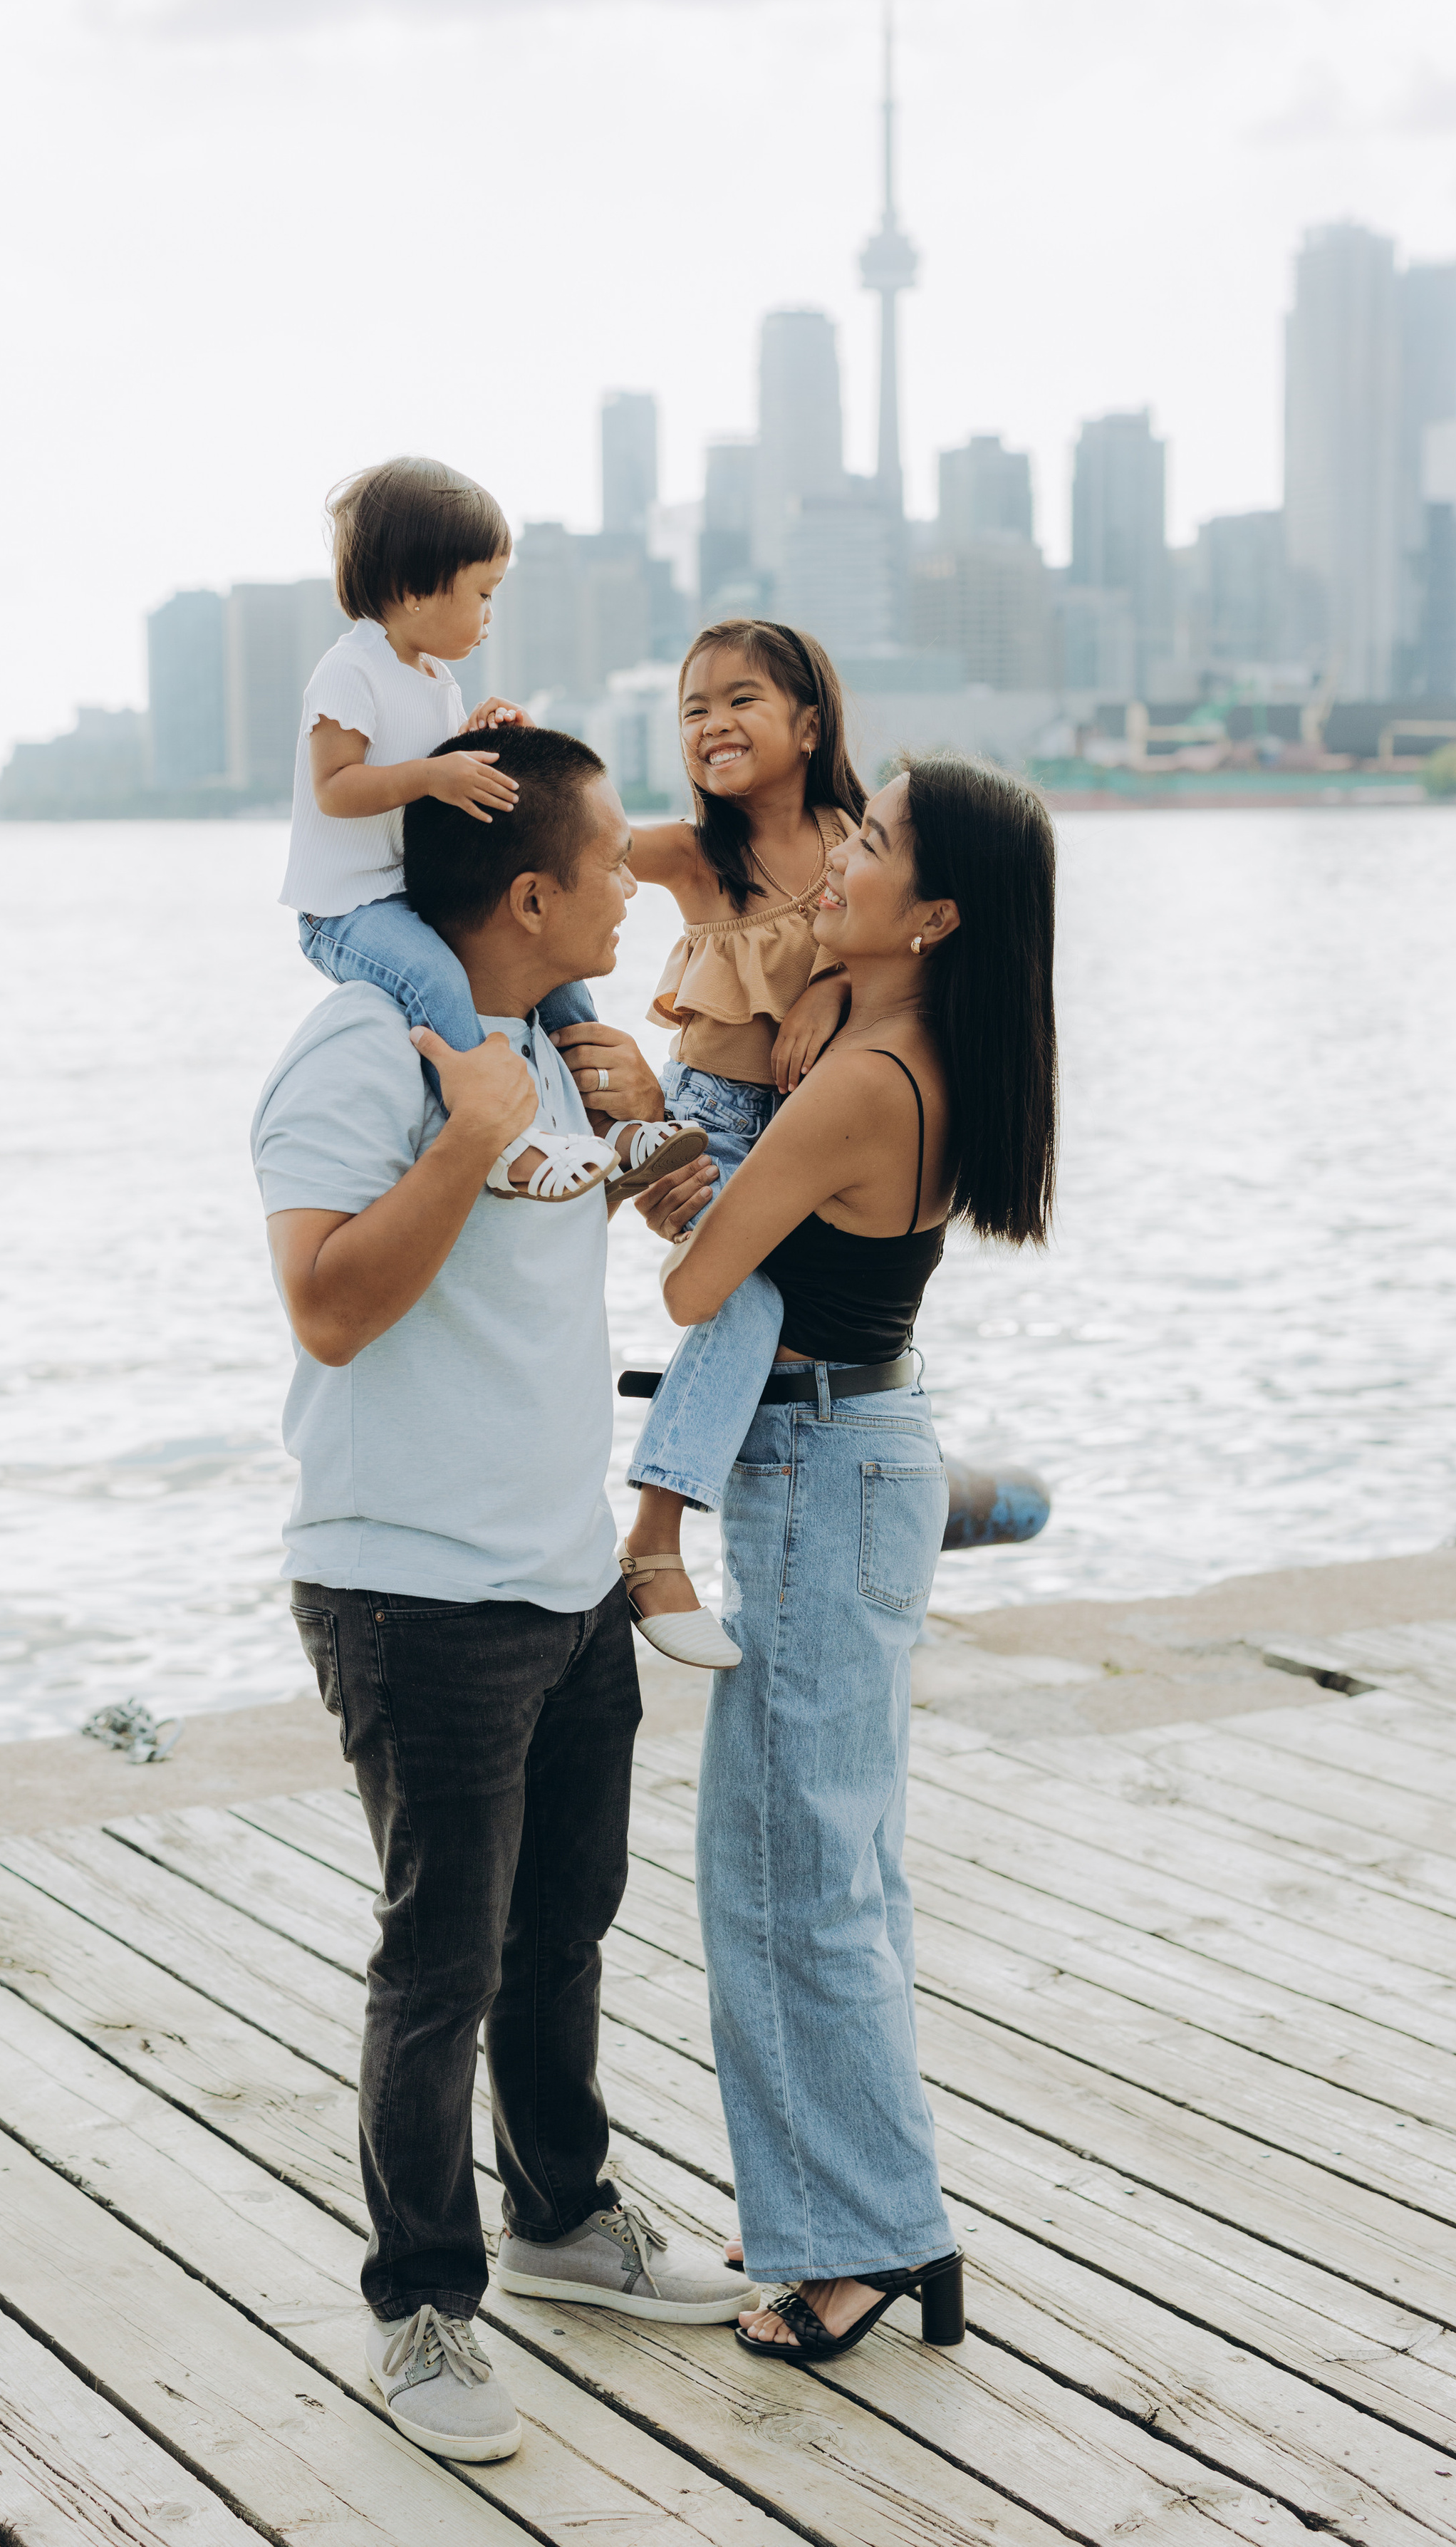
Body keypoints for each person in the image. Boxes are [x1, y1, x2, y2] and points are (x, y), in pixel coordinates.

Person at [253, 724, 751, 2467]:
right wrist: (460, 1140)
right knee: (439, 1957)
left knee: (561, 1925)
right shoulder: (360, 1056)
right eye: (614, 853)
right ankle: (421, 2304)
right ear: (531, 889)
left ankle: (558, 2215)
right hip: (411, 1592)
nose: (637, 873)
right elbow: (324, 1305)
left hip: (559, 1577)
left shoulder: (551, 1045)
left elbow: (589, 1230)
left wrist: (650, 1149)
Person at [632, 753, 1059, 2362]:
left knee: (777, 1875)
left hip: (814, 1471)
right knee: (839, 1864)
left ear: (933, 911)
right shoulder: (916, 1051)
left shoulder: (860, 1082)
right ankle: (851, 2202)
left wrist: (640, 1140)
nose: (836, 861)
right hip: (869, 1453)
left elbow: (694, 1289)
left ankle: (854, 2239)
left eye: (869, 845)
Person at [283, 452, 703, 1206]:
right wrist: (431, 776)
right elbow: (336, 789)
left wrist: (477, 736)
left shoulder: (434, 680)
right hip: (347, 908)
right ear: (414, 590)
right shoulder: (348, 673)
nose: (488, 616)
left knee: (563, 985)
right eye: (482, 594)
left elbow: (441, 768)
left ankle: (606, 1123)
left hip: (412, 893)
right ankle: (504, 1142)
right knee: (437, 979)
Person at [592, 618, 865, 1670]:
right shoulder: (703, 854)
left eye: (740, 699)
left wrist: (833, 985)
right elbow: (582, 844)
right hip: (703, 1126)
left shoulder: (860, 842)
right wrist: (489, 748)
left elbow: (901, 951)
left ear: (807, 722)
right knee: (747, 1294)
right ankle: (654, 1538)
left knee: (789, 1308)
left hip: (802, 1141)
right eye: (693, 708)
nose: (713, 723)